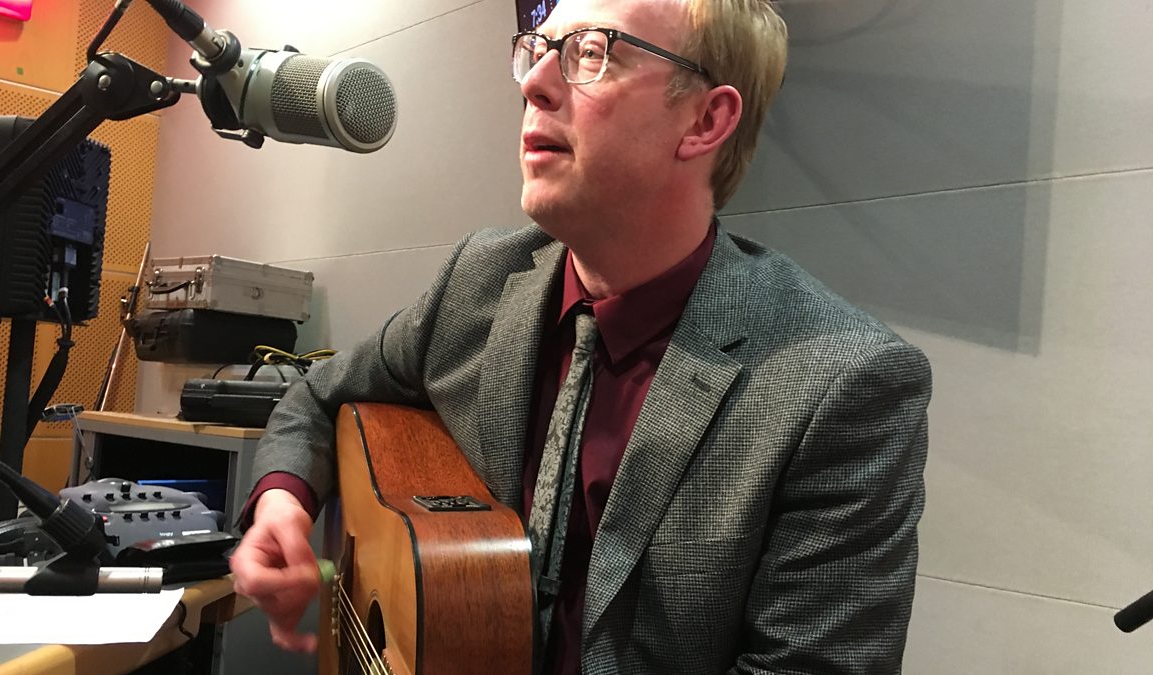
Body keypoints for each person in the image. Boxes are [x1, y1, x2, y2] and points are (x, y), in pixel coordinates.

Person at [229, 0, 932, 672]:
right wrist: (284, 502)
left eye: (592, 52)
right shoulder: (478, 281)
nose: (534, 84)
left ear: (705, 119)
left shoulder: (844, 383)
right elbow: (317, 397)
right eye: (536, 51)